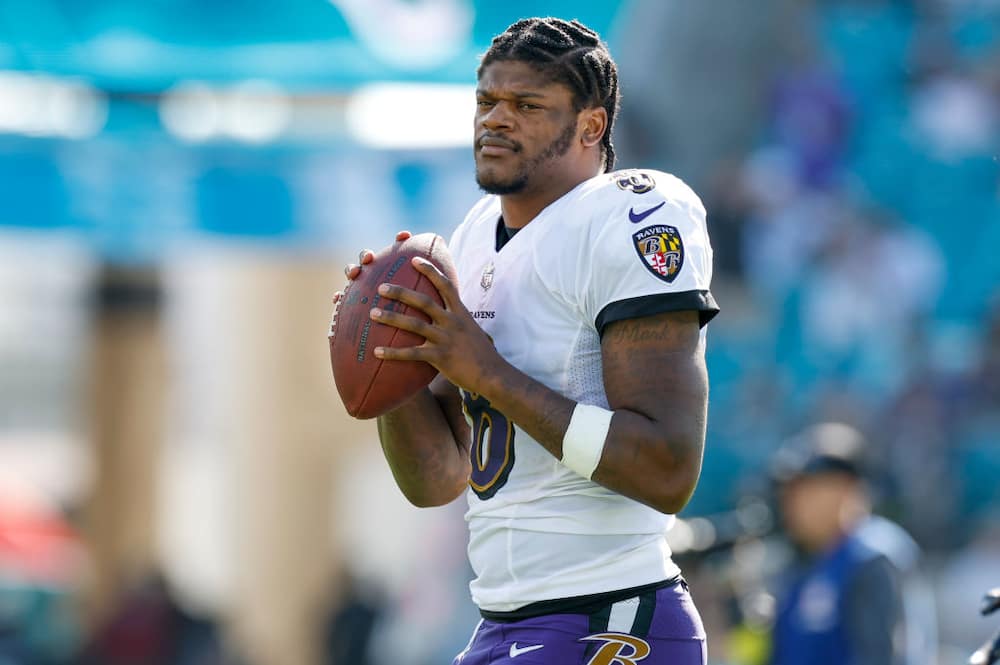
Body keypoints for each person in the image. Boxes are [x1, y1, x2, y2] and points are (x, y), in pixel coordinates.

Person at [333, 17, 719, 664]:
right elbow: (438, 477)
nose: (495, 121)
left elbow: (667, 465)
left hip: (611, 613)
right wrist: (387, 364)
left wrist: (487, 374)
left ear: (591, 127)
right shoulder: (476, 234)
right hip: (505, 619)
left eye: (526, 105)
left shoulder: (632, 217)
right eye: (486, 102)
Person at [769, 422, 933, 665]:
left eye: (803, 487)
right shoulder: (801, 563)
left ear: (843, 488)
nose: (790, 500)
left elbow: (880, 657)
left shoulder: (872, 557)